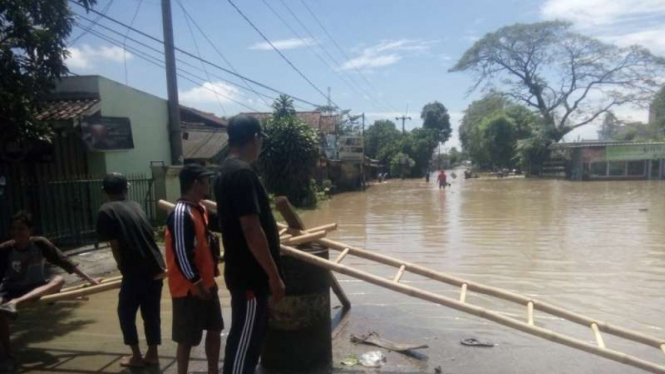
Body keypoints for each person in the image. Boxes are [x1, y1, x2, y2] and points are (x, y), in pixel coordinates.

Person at [214, 115, 285, 374]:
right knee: (243, 345)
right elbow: (251, 230)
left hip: (244, 273)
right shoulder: (242, 174)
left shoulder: (225, 170)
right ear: (255, 138)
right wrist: (274, 276)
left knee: (249, 340)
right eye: (261, 139)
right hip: (250, 277)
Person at [0, 211, 100, 370]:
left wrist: (90, 279)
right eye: (14, 229)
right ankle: (6, 355)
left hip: (36, 288)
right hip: (11, 290)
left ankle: (14, 303)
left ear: (30, 231)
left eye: (21, 228)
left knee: (59, 280)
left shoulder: (39, 243)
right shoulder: (5, 249)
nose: (17, 233)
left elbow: (65, 262)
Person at [96, 173, 166, 368]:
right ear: (126, 188)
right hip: (156, 265)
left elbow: (115, 244)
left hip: (135, 269)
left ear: (104, 191)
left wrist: (123, 269)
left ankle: (136, 356)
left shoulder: (106, 210)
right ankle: (153, 354)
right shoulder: (136, 206)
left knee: (125, 312)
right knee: (151, 312)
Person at [165, 164, 223, 374]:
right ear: (196, 183)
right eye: (206, 180)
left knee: (215, 328)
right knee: (186, 339)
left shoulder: (201, 209)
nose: (209, 183)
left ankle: (213, 370)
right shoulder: (181, 214)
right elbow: (181, 253)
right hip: (189, 289)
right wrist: (197, 283)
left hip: (207, 283)